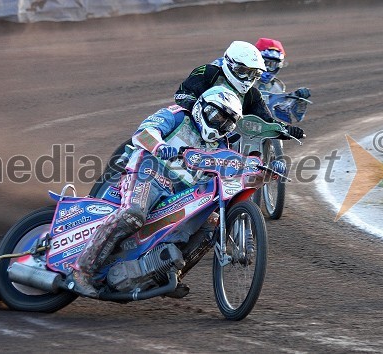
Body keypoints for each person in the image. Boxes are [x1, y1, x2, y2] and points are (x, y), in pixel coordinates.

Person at [69, 86, 276, 297]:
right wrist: (159, 146)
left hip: (180, 193)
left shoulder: (222, 145)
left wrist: (266, 169)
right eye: (215, 115)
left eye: (226, 122)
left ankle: (166, 274)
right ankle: (82, 271)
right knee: (133, 215)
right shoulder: (177, 116)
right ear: (201, 107)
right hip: (149, 170)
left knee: (212, 226)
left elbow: (232, 170)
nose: (219, 123)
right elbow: (143, 133)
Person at [174, 40, 304, 139]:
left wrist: (287, 130)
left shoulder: (253, 94)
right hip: (189, 125)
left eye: (254, 74)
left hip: (221, 138)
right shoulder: (209, 72)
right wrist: (201, 110)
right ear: (231, 64)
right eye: (244, 71)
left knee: (243, 140)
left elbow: (267, 121)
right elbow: (182, 94)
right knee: (174, 116)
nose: (248, 78)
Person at [255, 37, 311, 124]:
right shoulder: (243, 80)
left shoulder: (276, 88)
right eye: (265, 63)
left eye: (273, 65)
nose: (268, 68)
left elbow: (288, 118)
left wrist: (299, 101)